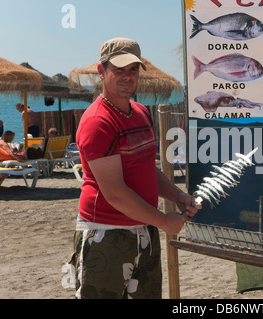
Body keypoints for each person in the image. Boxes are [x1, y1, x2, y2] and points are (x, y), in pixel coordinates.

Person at [67, 37, 201, 299]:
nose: (127, 77)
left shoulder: (140, 112)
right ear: (101, 71)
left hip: (145, 228)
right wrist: (164, 221)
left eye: (133, 70)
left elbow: (147, 170)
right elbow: (115, 193)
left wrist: (178, 196)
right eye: (119, 70)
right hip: (106, 234)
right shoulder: (97, 121)